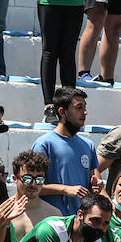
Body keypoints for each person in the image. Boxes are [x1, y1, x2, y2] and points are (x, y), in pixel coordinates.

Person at [31, 85, 98, 217]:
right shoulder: (44, 144)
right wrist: (65, 189)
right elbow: (32, 186)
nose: (85, 112)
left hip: (80, 223)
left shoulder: (88, 145)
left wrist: (95, 187)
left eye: (85, 107)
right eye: (79, 107)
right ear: (62, 112)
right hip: (51, 222)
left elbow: (93, 182)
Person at [8, 151, 59, 242]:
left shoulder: (54, 215)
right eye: (27, 178)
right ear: (15, 179)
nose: (33, 184)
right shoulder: (4, 211)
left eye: (39, 179)